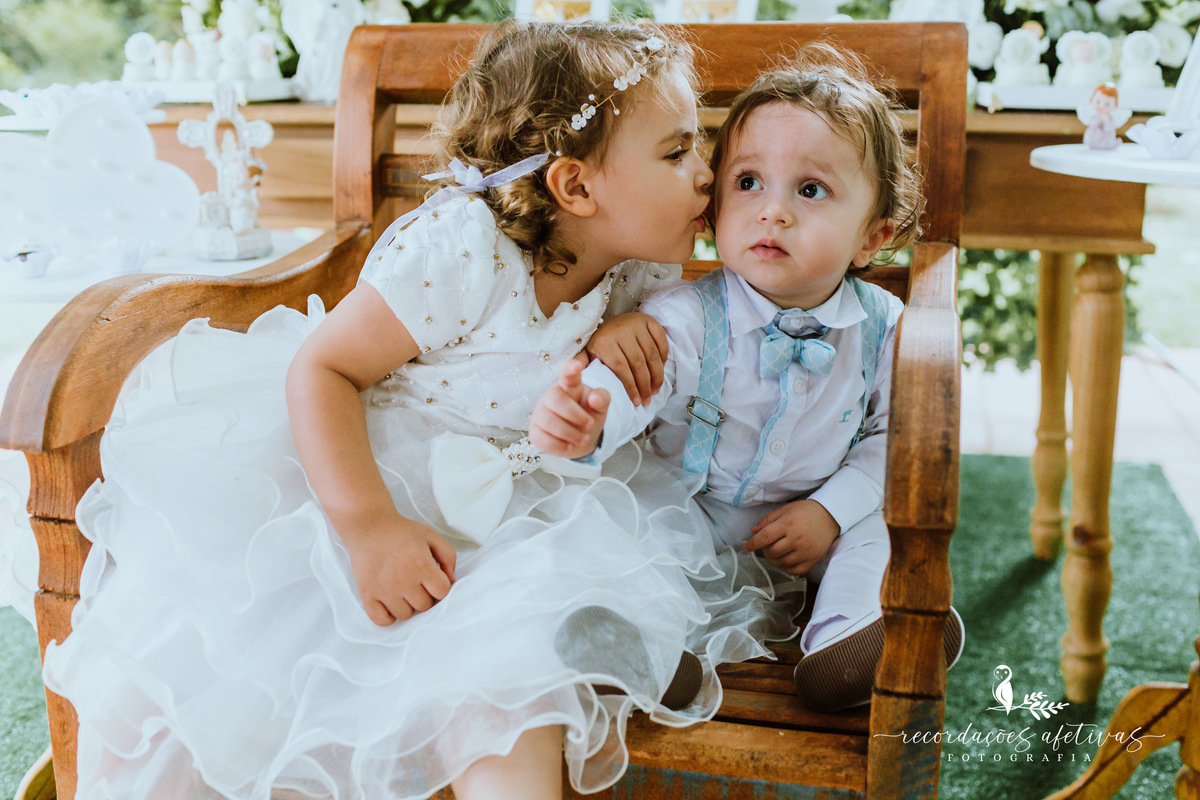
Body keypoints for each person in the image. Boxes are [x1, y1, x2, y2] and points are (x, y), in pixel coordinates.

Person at [39, 20, 758, 800]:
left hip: (539, 508)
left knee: (512, 660)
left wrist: (622, 342)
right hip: (377, 475)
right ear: (577, 187)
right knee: (277, 664)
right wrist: (367, 525)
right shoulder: (462, 252)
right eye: (677, 151)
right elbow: (324, 368)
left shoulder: (642, 269)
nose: (706, 174)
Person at [531, 42, 964, 713]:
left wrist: (832, 508)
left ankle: (849, 640)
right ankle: (651, 651)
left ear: (872, 238)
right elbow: (636, 383)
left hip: (817, 518)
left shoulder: (886, 327)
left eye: (811, 190)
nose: (774, 211)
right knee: (635, 542)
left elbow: (893, 437)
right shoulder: (684, 317)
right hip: (694, 514)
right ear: (714, 207)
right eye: (749, 182)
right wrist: (590, 417)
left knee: (877, 533)